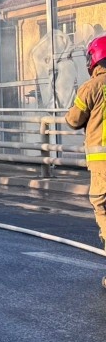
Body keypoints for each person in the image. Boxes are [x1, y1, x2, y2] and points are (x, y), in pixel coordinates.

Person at [66, 36, 106, 270]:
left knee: (103, 209)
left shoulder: (91, 87)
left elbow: (73, 120)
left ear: (94, 59)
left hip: (102, 167)